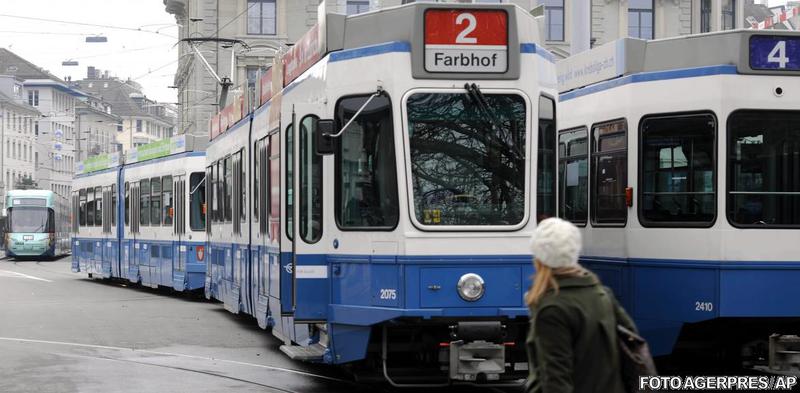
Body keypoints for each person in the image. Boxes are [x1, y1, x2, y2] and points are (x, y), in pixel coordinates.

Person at [525, 217, 637, 393]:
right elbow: (633, 344)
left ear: (539, 258)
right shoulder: (602, 295)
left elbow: (556, 382)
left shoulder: (552, 310)